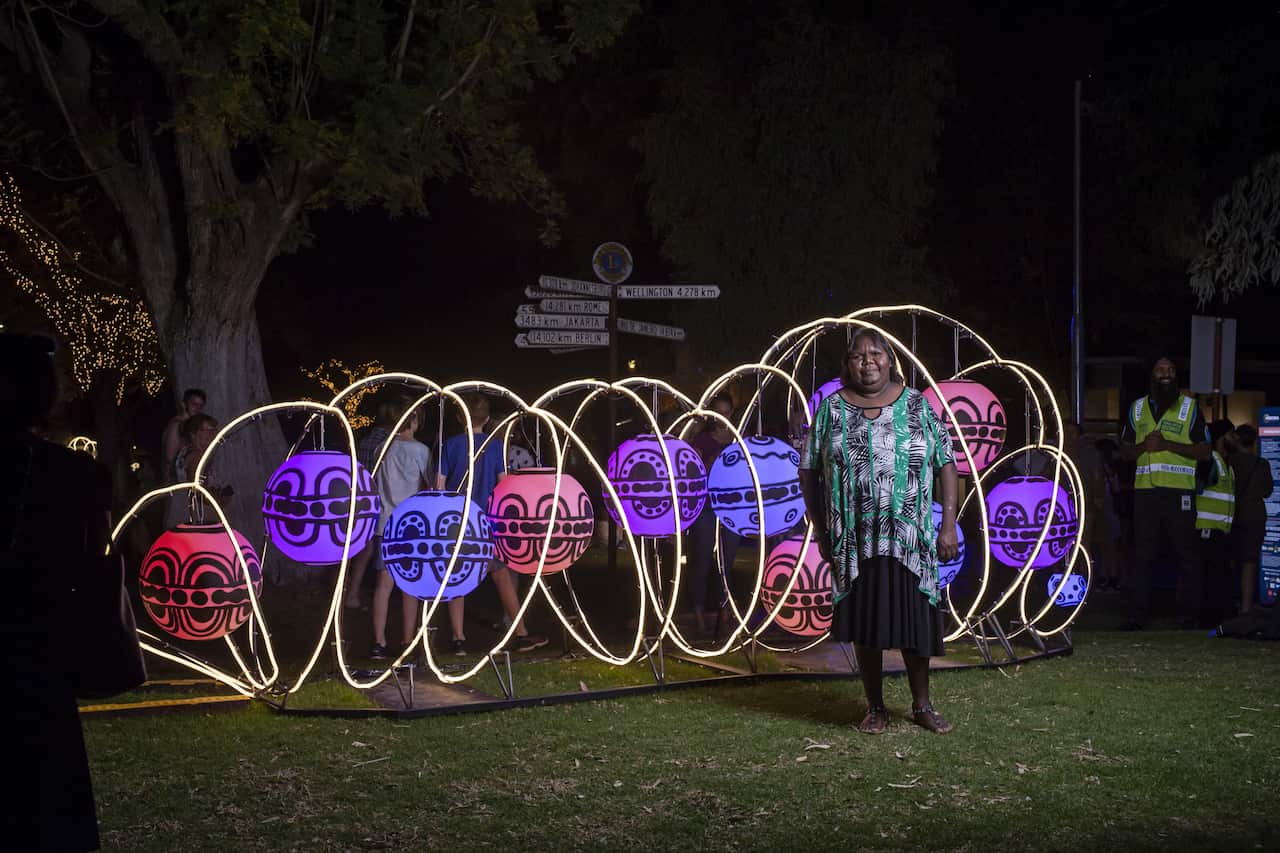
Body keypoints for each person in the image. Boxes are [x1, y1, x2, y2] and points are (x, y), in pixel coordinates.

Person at [798, 328, 960, 735]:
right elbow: (809, 470)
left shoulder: (918, 405)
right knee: (867, 624)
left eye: (876, 353)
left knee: (916, 626)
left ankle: (922, 705)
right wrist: (820, 526)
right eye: (858, 355)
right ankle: (875, 707)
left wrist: (949, 524)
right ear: (846, 364)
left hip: (911, 539)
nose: (867, 361)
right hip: (855, 539)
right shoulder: (830, 410)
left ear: (890, 360)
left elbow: (946, 462)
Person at [1, 333, 110, 850]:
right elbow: (92, 564)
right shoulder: (74, 473)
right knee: (46, 789)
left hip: (33, 642)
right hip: (41, 647)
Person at [437, 393, 548, 655]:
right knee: (501, 576)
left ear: (458, 417)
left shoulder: (450, 446)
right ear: (487, 419)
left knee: (457, 577)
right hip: (486, 521)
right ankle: (521, 632)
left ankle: (458, 639)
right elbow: (503, 486)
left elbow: (439, 486)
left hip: (456, 520)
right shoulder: (495, 447)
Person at [1118, 357, 1211, 629]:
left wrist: (1167, 445)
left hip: (1179, 491)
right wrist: (1142, 448)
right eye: (1161, 370)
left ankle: (1190, 615)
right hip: (1145, 493)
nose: (1166, 374)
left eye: (1171, 369)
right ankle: (1136, 616)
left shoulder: (1190, 407)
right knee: (1142, 554)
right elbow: (1124, 450)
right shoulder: (1137, 408)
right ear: (1152, 375)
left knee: (1186, 554)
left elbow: (1205, 451)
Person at [369, 396, 433, 659]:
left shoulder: (381, 449)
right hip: (412, 526)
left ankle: (379, 642)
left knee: (383, 586)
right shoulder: (420, 452)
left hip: (385, 524)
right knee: (411, 586)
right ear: (414, 420)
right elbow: (430, 486)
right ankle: (408, 640)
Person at [686, 392, 739, 635]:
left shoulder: (738, 439)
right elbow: (695, 472)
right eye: (718, 413)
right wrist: (715, 457)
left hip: (731, 507)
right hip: (706, 506)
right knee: (702, 559)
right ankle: (697, 613)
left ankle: (724, 613)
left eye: (727, 413)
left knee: (726, 563)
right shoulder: (703, 440)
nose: (723, 418)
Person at [1228, 423, 1275, 613]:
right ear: (1254, 442)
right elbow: (1268, 491)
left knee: (1230, 560)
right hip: (1255, 516)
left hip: (1232, 515)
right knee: (1249, 562)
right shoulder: (1261, 464)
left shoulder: (1229, 461)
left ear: (1237, 440)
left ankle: (1229, 601)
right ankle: (1246, 607)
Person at [1196, 420, 1236, 627]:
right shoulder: (1211, 460)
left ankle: (1215, 616)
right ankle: (1207, 618)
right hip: (1207, 529)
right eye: (1232, 433)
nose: (1235, 438)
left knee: (1217, 575)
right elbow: (1199, 486)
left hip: (1219, 530)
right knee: (1210, 576)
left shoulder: (1225, 464)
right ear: (1222, 437)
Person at [161, 388, 207, 481]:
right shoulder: (176, 424)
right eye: (194, 404)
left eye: (200, 406)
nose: (198, 409)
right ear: (184, 404)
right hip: (177, 481)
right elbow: (170, 458)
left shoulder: (191, 425)